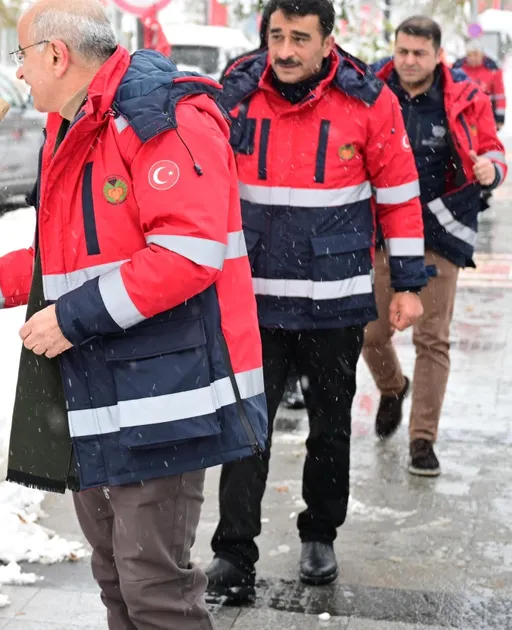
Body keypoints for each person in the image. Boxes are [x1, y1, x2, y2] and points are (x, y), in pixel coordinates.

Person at [0, 0, 268, 626]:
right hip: (102, 395)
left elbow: (187, 254)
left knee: (155, 590)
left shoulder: (158, 118)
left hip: (163, 403)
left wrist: (70, 319)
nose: (21, 72)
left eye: (22, 56)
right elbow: (54, 264)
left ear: (57, 55)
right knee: (117, 578)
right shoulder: (75, 126)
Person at [208, 0, 427, 603]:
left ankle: (320, 534)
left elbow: (400, 195)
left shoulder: (368, 101)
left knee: (330, 430)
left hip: (334, 302)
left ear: (328, 40)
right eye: (276, 36)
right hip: (252, 302)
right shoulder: (236, 94)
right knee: (245, 431)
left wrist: (407, 282)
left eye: (299, 38)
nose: (285, 51)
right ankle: (233, 553)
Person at [367, 17, 506, 477]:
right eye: (402, 51)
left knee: (432, 339)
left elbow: (493, 149)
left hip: (440, 228)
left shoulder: (465, 96)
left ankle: (422, 441)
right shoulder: (370, 87)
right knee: (370, 332)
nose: (408, 61)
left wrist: (492, 168)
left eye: (418, 53)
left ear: (437, 55)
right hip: (382, 230)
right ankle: (392, 387)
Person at [454, 39, 505, 131]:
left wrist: (500, 117)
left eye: (476, 54)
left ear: (482, 55)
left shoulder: (493, 70)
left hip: (486, 115)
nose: (472, 58)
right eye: (469, 55)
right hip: (463, 115)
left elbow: (499, 95)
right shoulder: (457, 69)